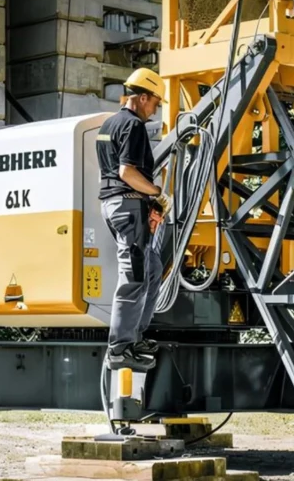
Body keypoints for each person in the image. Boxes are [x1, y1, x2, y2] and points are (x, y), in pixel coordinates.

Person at [97, 68, 171, 373]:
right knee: (135, 276)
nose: (155, 108)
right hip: (128, 207)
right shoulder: (133, 126)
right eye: (154, 102)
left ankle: (135, 337)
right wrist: (157, 193)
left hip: (114, 206)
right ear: (142, 97)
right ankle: (119, 347)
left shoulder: (108, 124)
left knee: (151, 268)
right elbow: (127, 173)